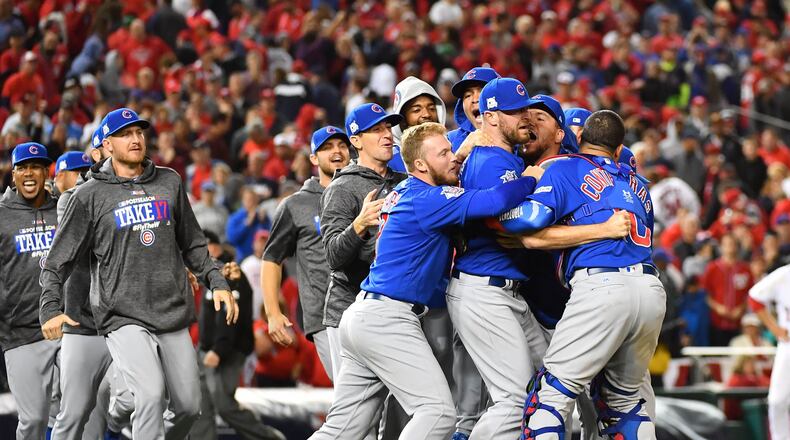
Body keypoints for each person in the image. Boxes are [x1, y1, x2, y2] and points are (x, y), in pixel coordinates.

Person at [310, 121, 543, 440]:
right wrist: (530, 177)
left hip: (364, 316)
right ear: (420, 164)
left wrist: (456, 152)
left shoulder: (405, 189)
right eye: (444, 152)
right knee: (437, 413)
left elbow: (439, 171)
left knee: (342, 429)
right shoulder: (428, 199)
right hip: (387, 319)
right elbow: (495, 201)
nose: (454, 158)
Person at [40, 108, 239, 440]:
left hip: (171, 311)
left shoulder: (170, 180)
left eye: (139, 132)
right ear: (106, 144)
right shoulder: (88, 196)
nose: (135, 139)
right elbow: (57, 260)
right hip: (121, 314)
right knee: (148, 395)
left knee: (190, 407)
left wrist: (215, 280)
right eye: (125, 134)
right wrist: (49, 308)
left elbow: (192, 242)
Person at [507, 110, 665, 439]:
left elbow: (524, 220)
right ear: (619, 149)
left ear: (578, 140)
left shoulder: (565, 166)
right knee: (625, 405)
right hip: (650, 290)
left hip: (602, 285)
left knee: (547, 400)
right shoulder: (638, 185)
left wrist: (517, 191)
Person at [320, 103, 407, 381]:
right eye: (376, 129)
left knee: (394, 413)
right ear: (356, 141)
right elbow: (333, 256)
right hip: (347, 310)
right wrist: (359, 224)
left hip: (394, 308)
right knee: (353, 415)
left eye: (387, 128)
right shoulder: (342, 188)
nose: (387, 135)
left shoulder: (404, 182)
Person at [41, 131, 116, 440]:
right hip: (66, 312)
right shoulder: (65, 202)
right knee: (67, 408)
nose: (55, 181)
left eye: (60, 174)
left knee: (98, 406)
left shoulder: (76, 197)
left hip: (91, 314)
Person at [263, 126, 351, 380]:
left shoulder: (364, 191)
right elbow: (271, 259)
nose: (336, 151)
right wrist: (273, 313)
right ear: (313, 158)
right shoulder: (296, 204)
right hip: (325, 317)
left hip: (368, 309)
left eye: (341, 145)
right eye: (326, 147)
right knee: (353, 398)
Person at [0, 142, 59, 440]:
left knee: (77, 411)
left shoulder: (64, 208)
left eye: (36, 166)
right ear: (13, 175)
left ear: (46, 171)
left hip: (65, 327)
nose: (29, 173)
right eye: (22, 167)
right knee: (34, 420)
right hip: (20, 333)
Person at [196, 259, 285, 440]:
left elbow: (230, 316)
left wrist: (219, 349)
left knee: (225, 406)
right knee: (201, 407)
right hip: (205, 351)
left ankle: (268, 438)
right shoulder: (208, 275)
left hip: (226, 352)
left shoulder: (233, 275)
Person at [748, 263, 790, 440]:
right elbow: (754, 298)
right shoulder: (785, 274)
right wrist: (775, 328)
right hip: (788, 345)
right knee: (776, 400)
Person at [390, 76, 447, 172]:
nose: (426, 114)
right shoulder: (391, 160)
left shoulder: (451, 148)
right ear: (402, 120)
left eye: (432, 108)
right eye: (417, 110)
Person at [447, 67, 500, 153]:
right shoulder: (451, 141)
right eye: (468, 95)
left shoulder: (518, 136)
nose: (475, 99)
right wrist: (459, 157)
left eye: (483, 92)